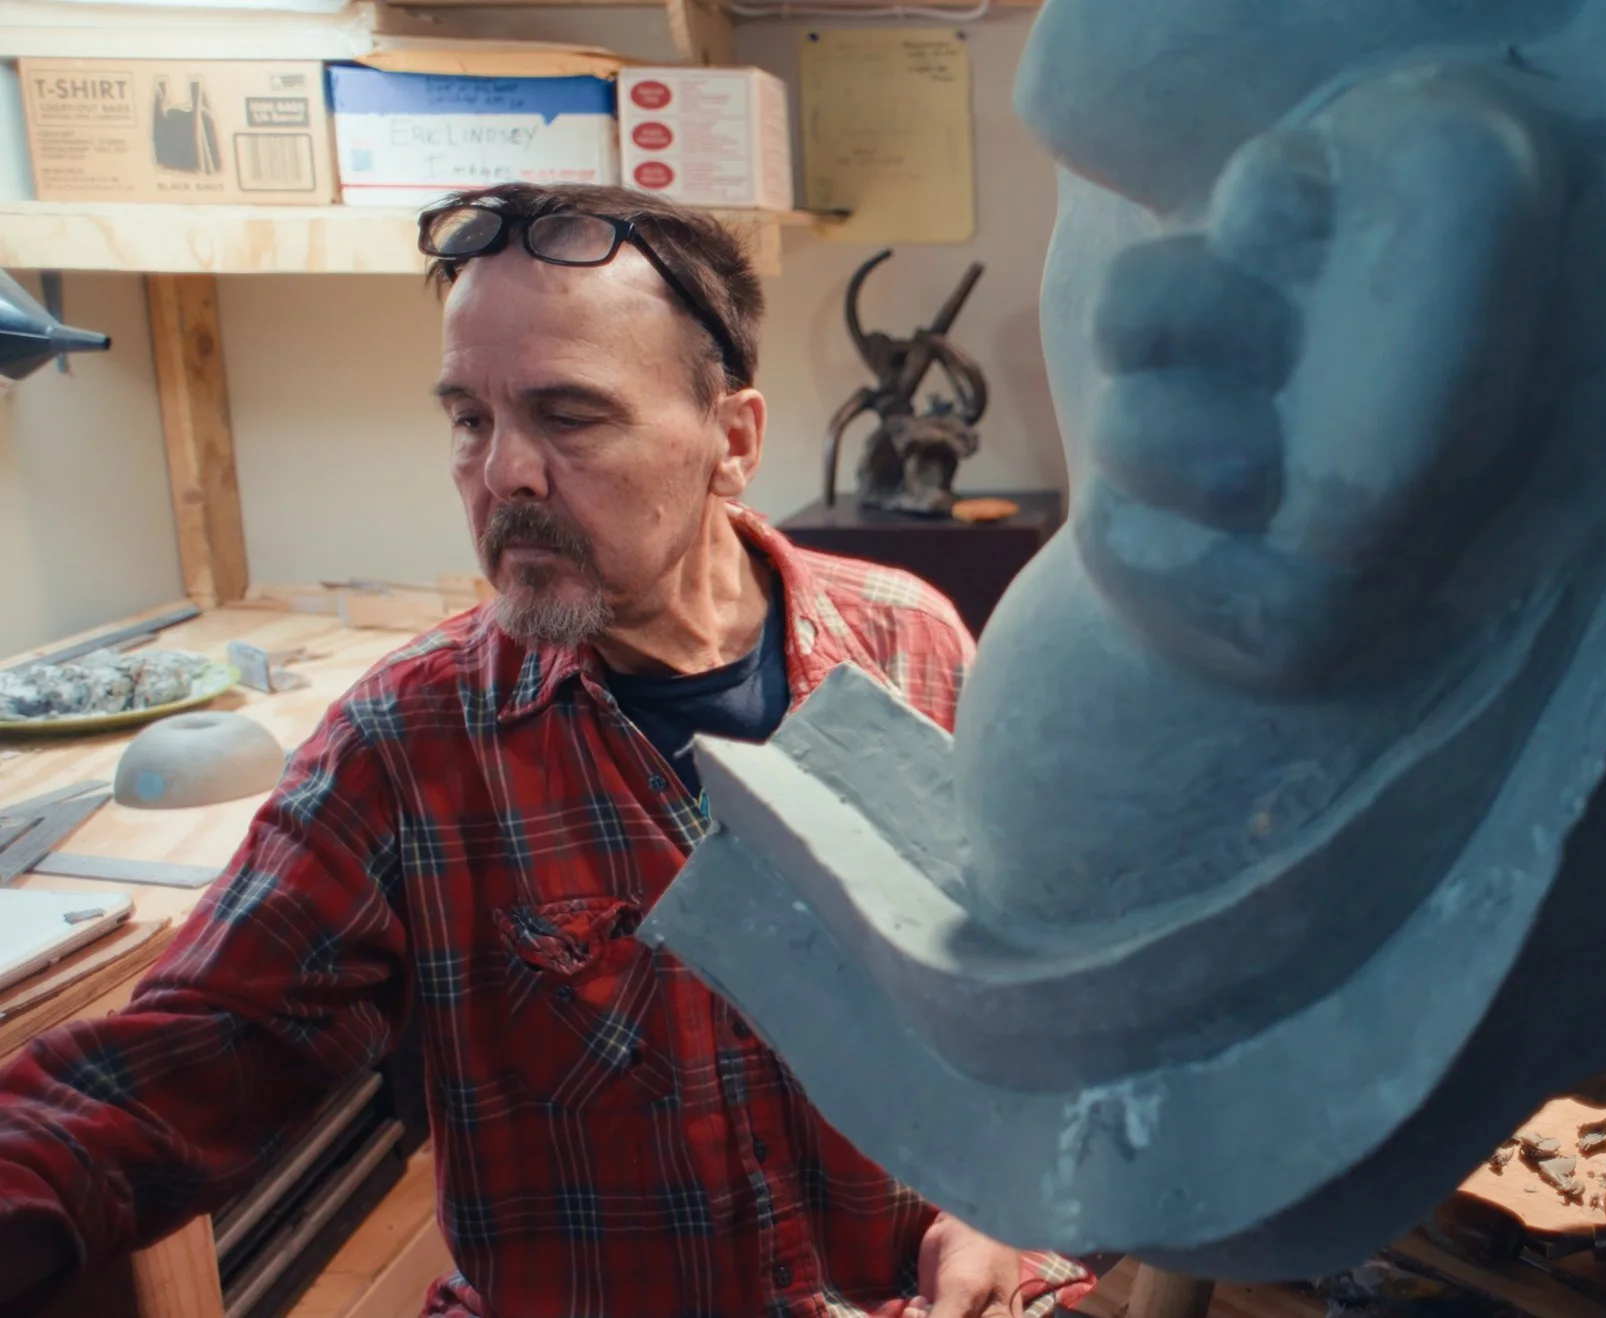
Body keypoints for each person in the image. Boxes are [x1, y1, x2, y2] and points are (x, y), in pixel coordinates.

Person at [0, 182, 1091, 1318]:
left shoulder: (910, 642)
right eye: (469, 418)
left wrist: (1013, 1223)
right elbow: (171, 1072)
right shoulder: (410, 743)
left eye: (568, 416)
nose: (502, 473)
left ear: (734, 440)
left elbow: (1054, 1012)